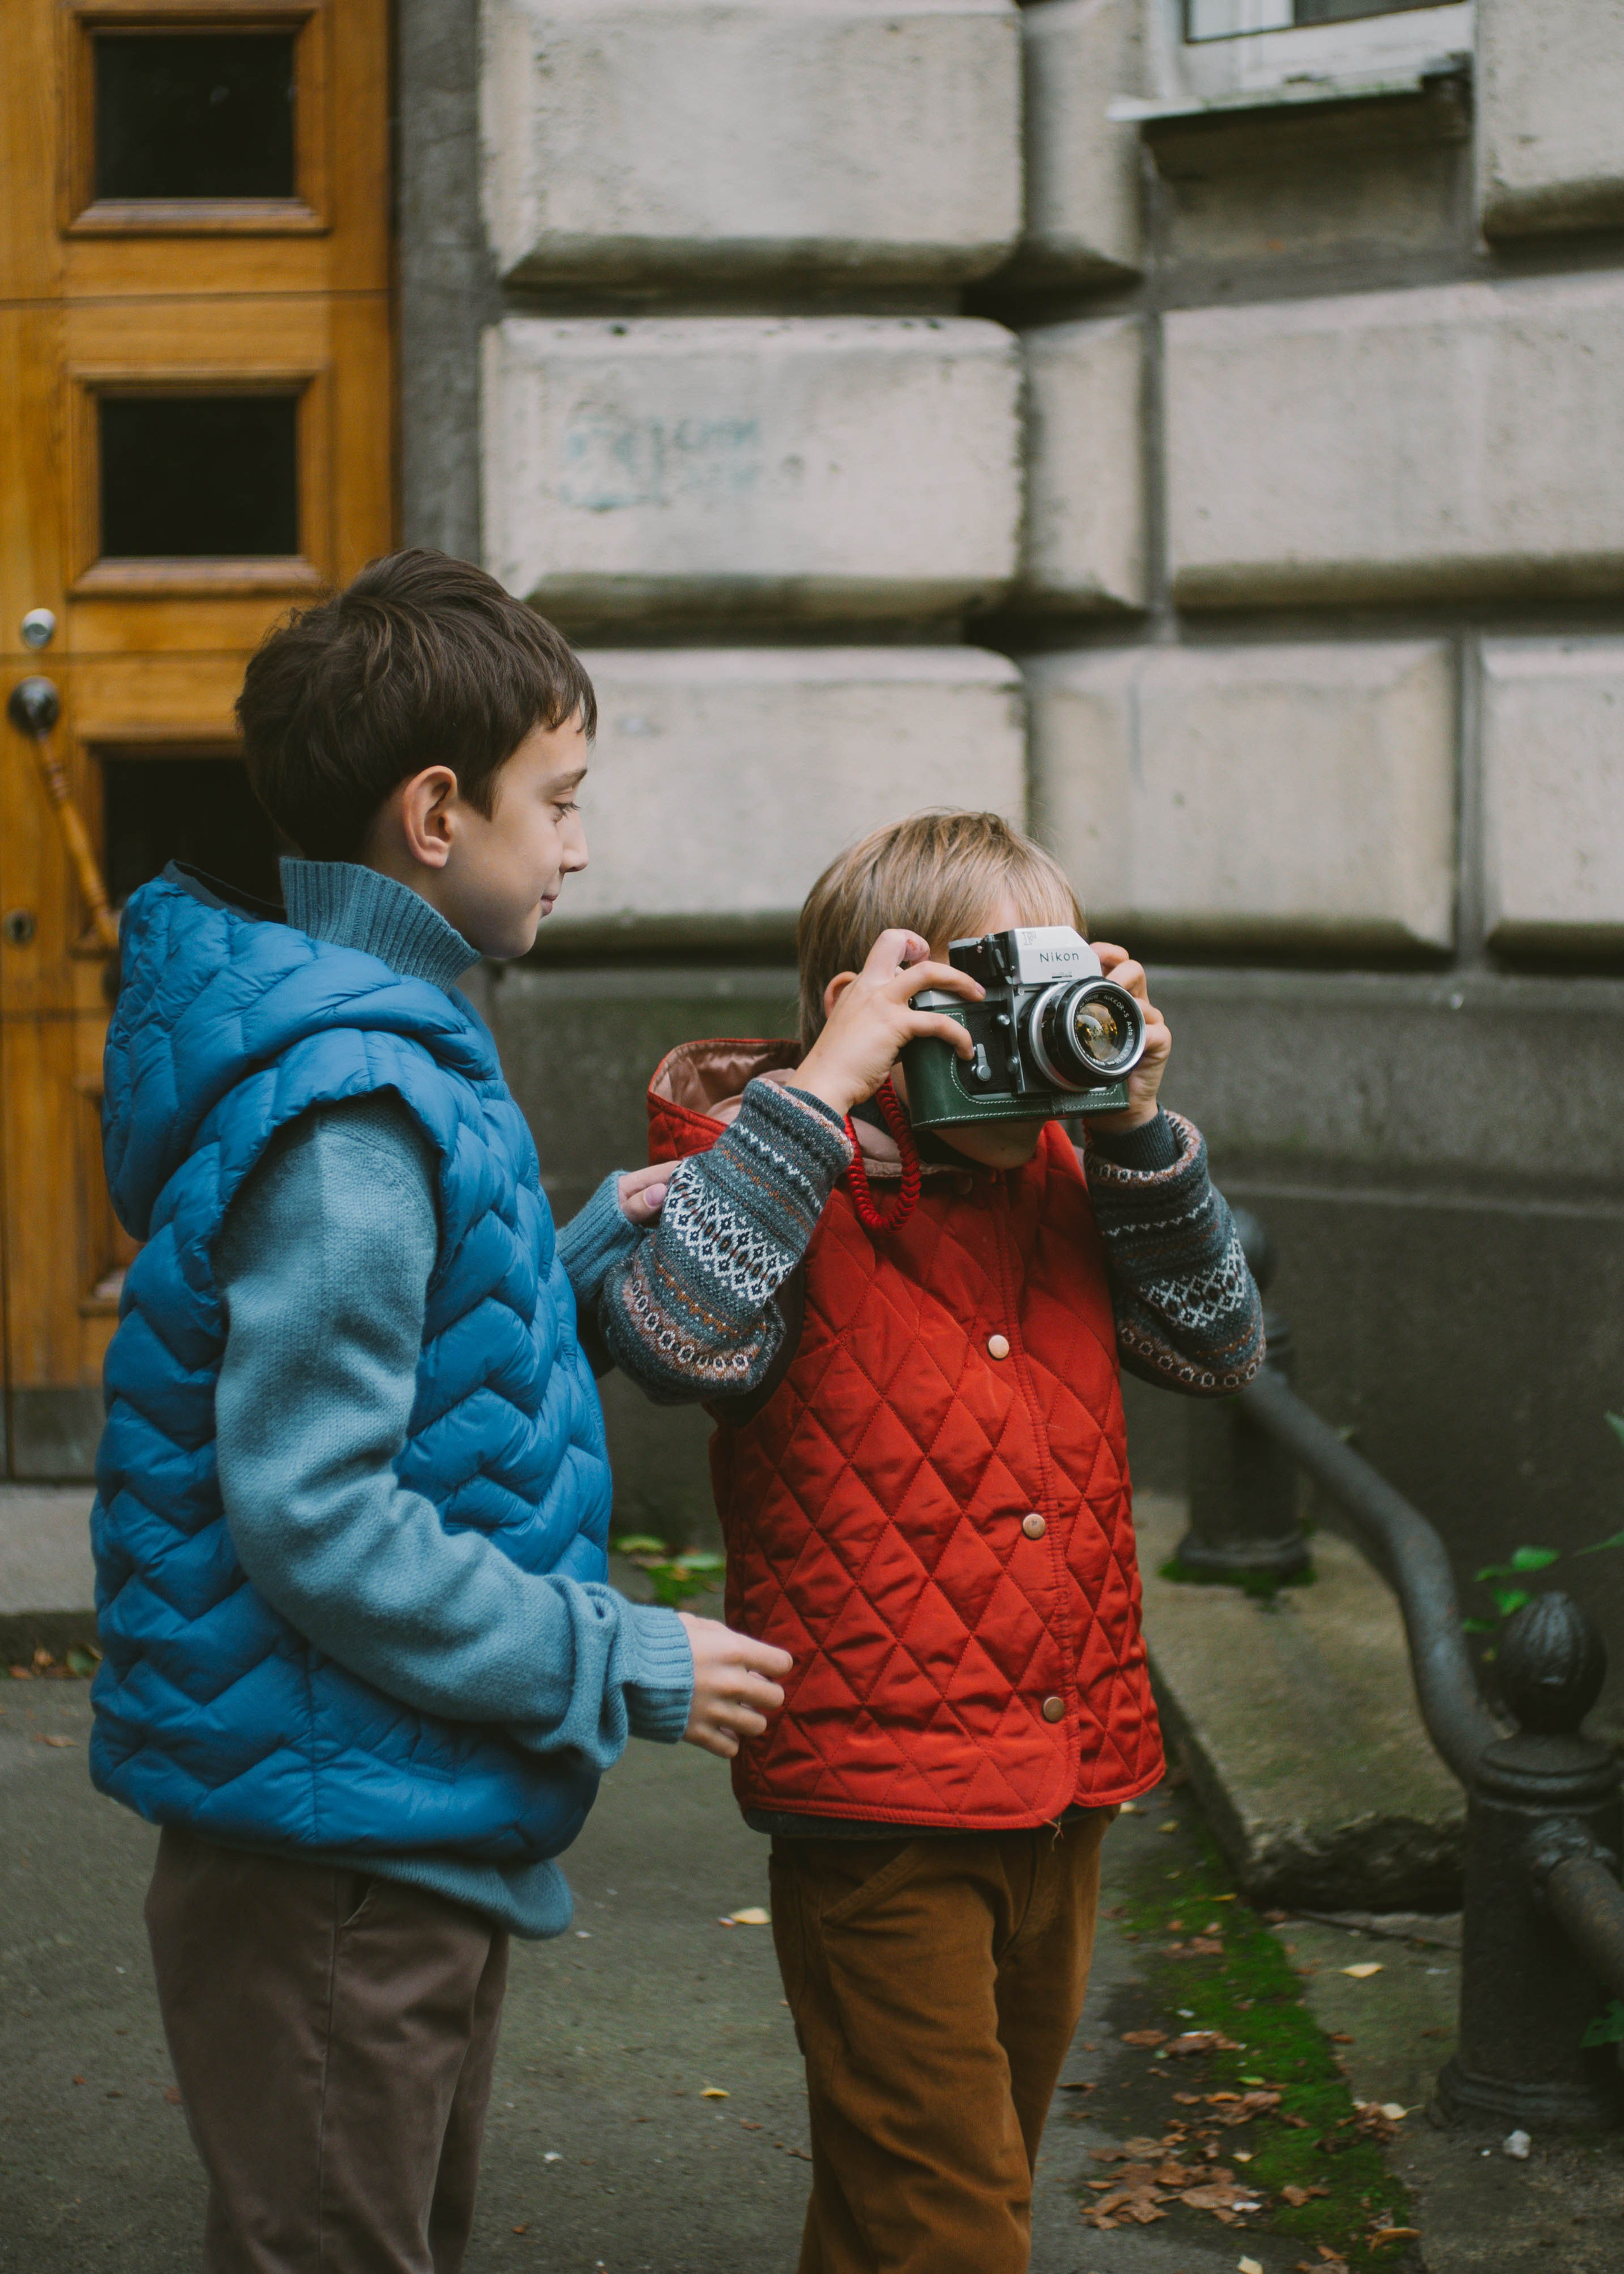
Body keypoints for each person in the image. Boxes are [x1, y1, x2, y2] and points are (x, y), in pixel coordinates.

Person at [88, 549, 808, 2274]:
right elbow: (317, 1508)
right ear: (435, 815)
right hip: (334, 1840)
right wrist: (612, 1652)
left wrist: (565, 1259)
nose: (578, 843)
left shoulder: (393, 1057)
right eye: (556, 803)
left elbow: (409, 1365)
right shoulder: (358, 1112)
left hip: (380, 1802)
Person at [589, 808, 1266, 2274]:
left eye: (1056, 986)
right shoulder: (772, 1181)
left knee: (928, 2196)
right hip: (878, 1803)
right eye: (991, 1000)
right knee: (950, 2224)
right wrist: (819, 1096)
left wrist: (1135, 1118)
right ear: (876, 1008)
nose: (1034, 1035)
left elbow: (1219, 1348)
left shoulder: (1075, 1182)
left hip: (1062, 1772)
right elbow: (667, 1333)